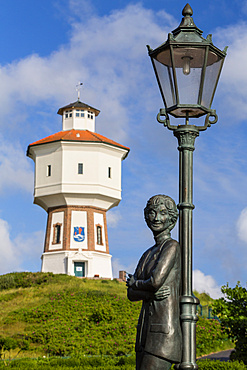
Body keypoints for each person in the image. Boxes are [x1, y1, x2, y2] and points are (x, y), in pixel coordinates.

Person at [127, 194, 182, 370]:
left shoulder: (171, 246)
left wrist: (136, 284)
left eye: (163, 213)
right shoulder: (147, 253)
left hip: (163, 334)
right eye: (152, 213)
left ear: (171, 219)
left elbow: (155, 281)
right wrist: (147, 291)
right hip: (144, 333)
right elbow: (131, 294)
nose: (156, 218)